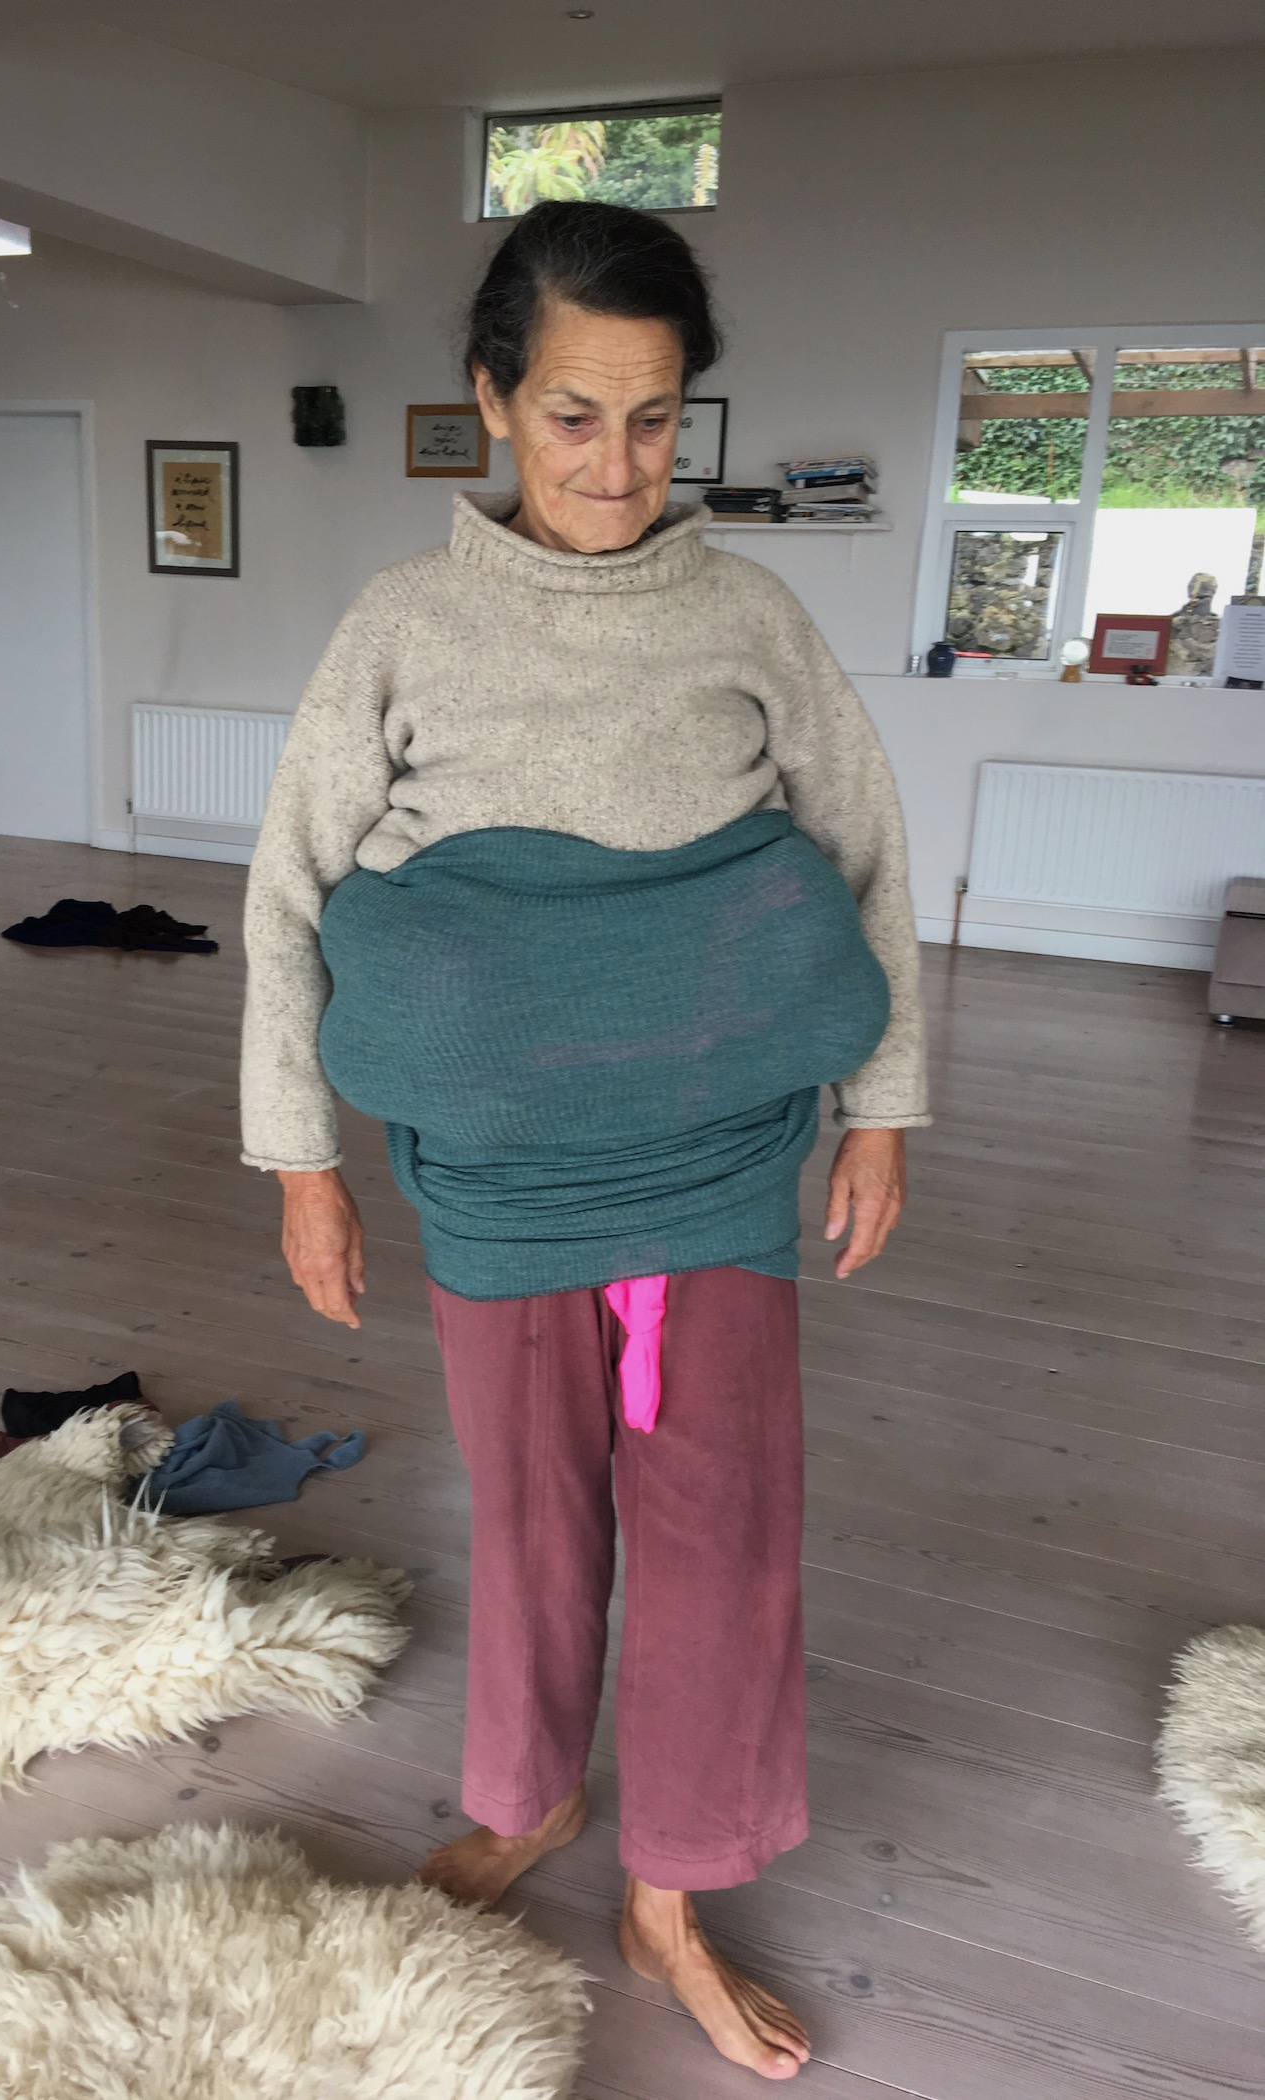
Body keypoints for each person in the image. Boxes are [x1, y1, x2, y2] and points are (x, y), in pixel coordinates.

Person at [240, 200, 929, 2082]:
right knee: (531, 1519)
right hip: (495, 1176)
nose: (616, 465)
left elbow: (865, 860)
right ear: (490, 399)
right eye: (570, 415)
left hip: (719, 1163)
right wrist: (301, 1162)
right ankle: (530, 1799)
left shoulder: (746, 617)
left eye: (651, 419)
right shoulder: (401, 624)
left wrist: (882, 1111)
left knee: (720, 1538)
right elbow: (288, 899)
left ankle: (670, 1895)